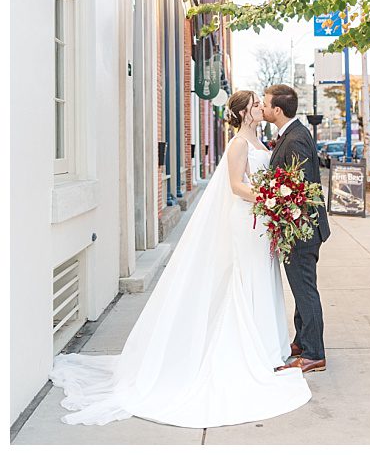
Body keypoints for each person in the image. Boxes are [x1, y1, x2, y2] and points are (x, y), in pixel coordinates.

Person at [50, 91, 311, 427]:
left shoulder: (257, 140)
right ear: (246, 112)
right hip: (247, 219)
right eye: (257, 104)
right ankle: (249, 350)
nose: (262, 107)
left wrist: (272, 199)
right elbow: (235, 186)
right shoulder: (238, 145)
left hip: (259, 220)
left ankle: (267, 346)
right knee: (245, 279)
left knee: (262, 277)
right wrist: (272, 197)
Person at [263, 84, 330, 374]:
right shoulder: (291, 135)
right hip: (298, 229)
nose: (263, 108)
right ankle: (302, 342)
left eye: (265, 104)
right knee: (301, 290)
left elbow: (298, 189)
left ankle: (314, 352)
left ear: (277, 110)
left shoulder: (295, 139)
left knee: (305, 291)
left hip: (301, 230)